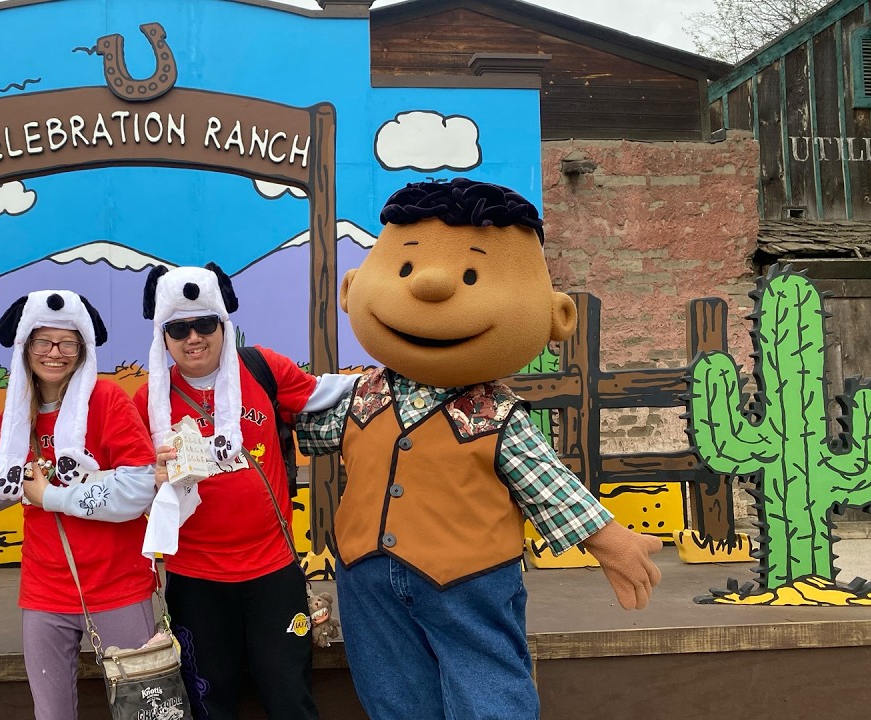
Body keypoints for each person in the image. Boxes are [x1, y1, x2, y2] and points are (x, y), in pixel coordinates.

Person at [296, 178, 664, 719]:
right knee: (393, 696)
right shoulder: (359, 398)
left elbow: (547, 483)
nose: (431, 285)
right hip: (366, 577)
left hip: (468, 582)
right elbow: (295, 434)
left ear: (556, 314)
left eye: (472, 275)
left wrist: (609, 540)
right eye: (404, 269)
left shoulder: (496, 416)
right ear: (353, 287)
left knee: (488, 694)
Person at [134, 263, 354, 720]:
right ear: (164, 336)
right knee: (210, 702)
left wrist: (395, 376)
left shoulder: (263, 368)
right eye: (179, 328)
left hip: (271, 569)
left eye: (204, 324)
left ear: (222, 323)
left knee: (290, 698)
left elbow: (324, 393)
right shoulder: (147, 401)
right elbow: (127, 478)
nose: (193, 338)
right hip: (195, 576)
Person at [0, 289, 159, 720]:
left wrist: (53, 497)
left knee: (143, 710)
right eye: (43, 341)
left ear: (84, 347)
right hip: (45, 587)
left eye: (68, 342)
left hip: (118, 582)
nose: (55, 353)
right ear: (25, 345)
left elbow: (139, 489)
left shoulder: (107, 399)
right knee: (51, 713)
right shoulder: (15, 413)